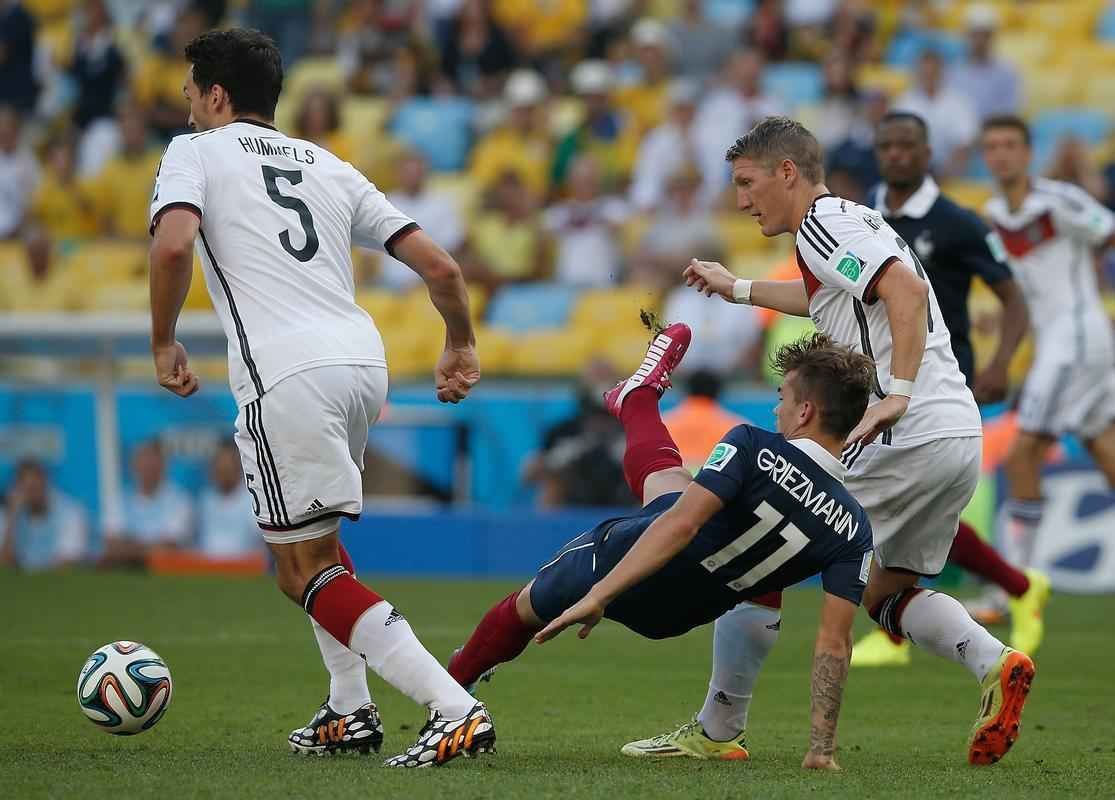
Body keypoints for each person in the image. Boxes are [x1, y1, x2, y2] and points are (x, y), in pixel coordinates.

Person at [146, 28, 493, 767]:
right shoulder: (328, 165)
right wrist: (460, 343)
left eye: (191, 92)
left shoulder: (193, 153)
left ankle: (454, 708)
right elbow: (441, 267)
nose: (187, 106)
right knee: (320, 547)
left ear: (215, 95)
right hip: (362, 365)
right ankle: (349, 707)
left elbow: (173, 245)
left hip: (285, 373)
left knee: (299, 570)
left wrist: (162, 340)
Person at [668, 117, 1035, 766]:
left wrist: (896, 392)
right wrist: (738, 288)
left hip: (900, 428)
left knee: (753, 537)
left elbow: (905, 289)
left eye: (747, 183)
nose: (741, 200)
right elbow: (828, 298)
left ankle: (716, 730)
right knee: (885, 593)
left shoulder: (821, 223)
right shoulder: (850, 221)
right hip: (954, 431)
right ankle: (993, 661)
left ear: (787, 173)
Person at [449, 324, 875, 771]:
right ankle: (637, 400)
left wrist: (599, 595)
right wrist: (821, 748)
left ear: (805, 411)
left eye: (782, 398)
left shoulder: (752, 446)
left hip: (623, 564)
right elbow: (834, 642)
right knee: (678, 490)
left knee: (522, 610)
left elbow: (680, 525)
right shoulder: (854, 529)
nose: (776, 408)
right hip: (677, 616)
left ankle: (451, 692)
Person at [854, 111, 1048, 666]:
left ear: (927, 152)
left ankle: (893, 629)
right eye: (886, 145)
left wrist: (1001, 362)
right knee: (917, 511)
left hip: (939, 386)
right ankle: (1016, 587)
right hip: (880, 383)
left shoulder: (956, 222)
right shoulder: (861, 219)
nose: (895, 154)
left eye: (906, 145)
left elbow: (1013, 297)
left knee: (901, 505)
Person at [981, 115, 1115, 586]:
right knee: (1103, 445)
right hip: (1062, 341)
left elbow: (1107, 230)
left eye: (1009, 144)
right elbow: (1027, 286)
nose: (1001, 154)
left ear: (1027, 152)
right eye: (992, 146)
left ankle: (1015, 588)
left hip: (1075, 340)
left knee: (1023, 454)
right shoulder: (994, 214)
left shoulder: (1058, 201)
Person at [100, 440, 193, 566]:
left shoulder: (180, 501)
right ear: (133, 465)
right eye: (143, 461)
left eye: (153, 461)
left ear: (164, 465)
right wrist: (150, 548)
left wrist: (128, 547)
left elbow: (171, 547)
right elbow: (112, 545)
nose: (148, 467)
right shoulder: (119, 500)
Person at [894, 49, 978, 179]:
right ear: (916, 73)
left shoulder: (959, 102)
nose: (929, 76)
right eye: (925, 72)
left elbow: (964, 144)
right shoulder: (903, 102)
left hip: (950, 174)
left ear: (942, 72)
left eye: (933, 72)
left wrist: (945, 175)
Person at [1, 459, 88, 571]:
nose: (33, 493)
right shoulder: (8, 514)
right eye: (27, 488)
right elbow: (4, 563)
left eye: (36, 487)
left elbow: (68, 561)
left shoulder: (71, 512)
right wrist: (12, 518)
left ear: (46, 483)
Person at [662, 369, 748, 473]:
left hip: (670, 479)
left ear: (687, 390)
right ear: (718, 392)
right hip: (714, 480)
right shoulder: (738, 428)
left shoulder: (663, 423)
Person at [197, 441, 262, 558]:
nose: (223, 471)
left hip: (245, 565)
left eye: (227, 467)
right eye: (219, 466)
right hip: (206, 565)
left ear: (238, 467)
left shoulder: (253, 500)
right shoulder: (205, 500)